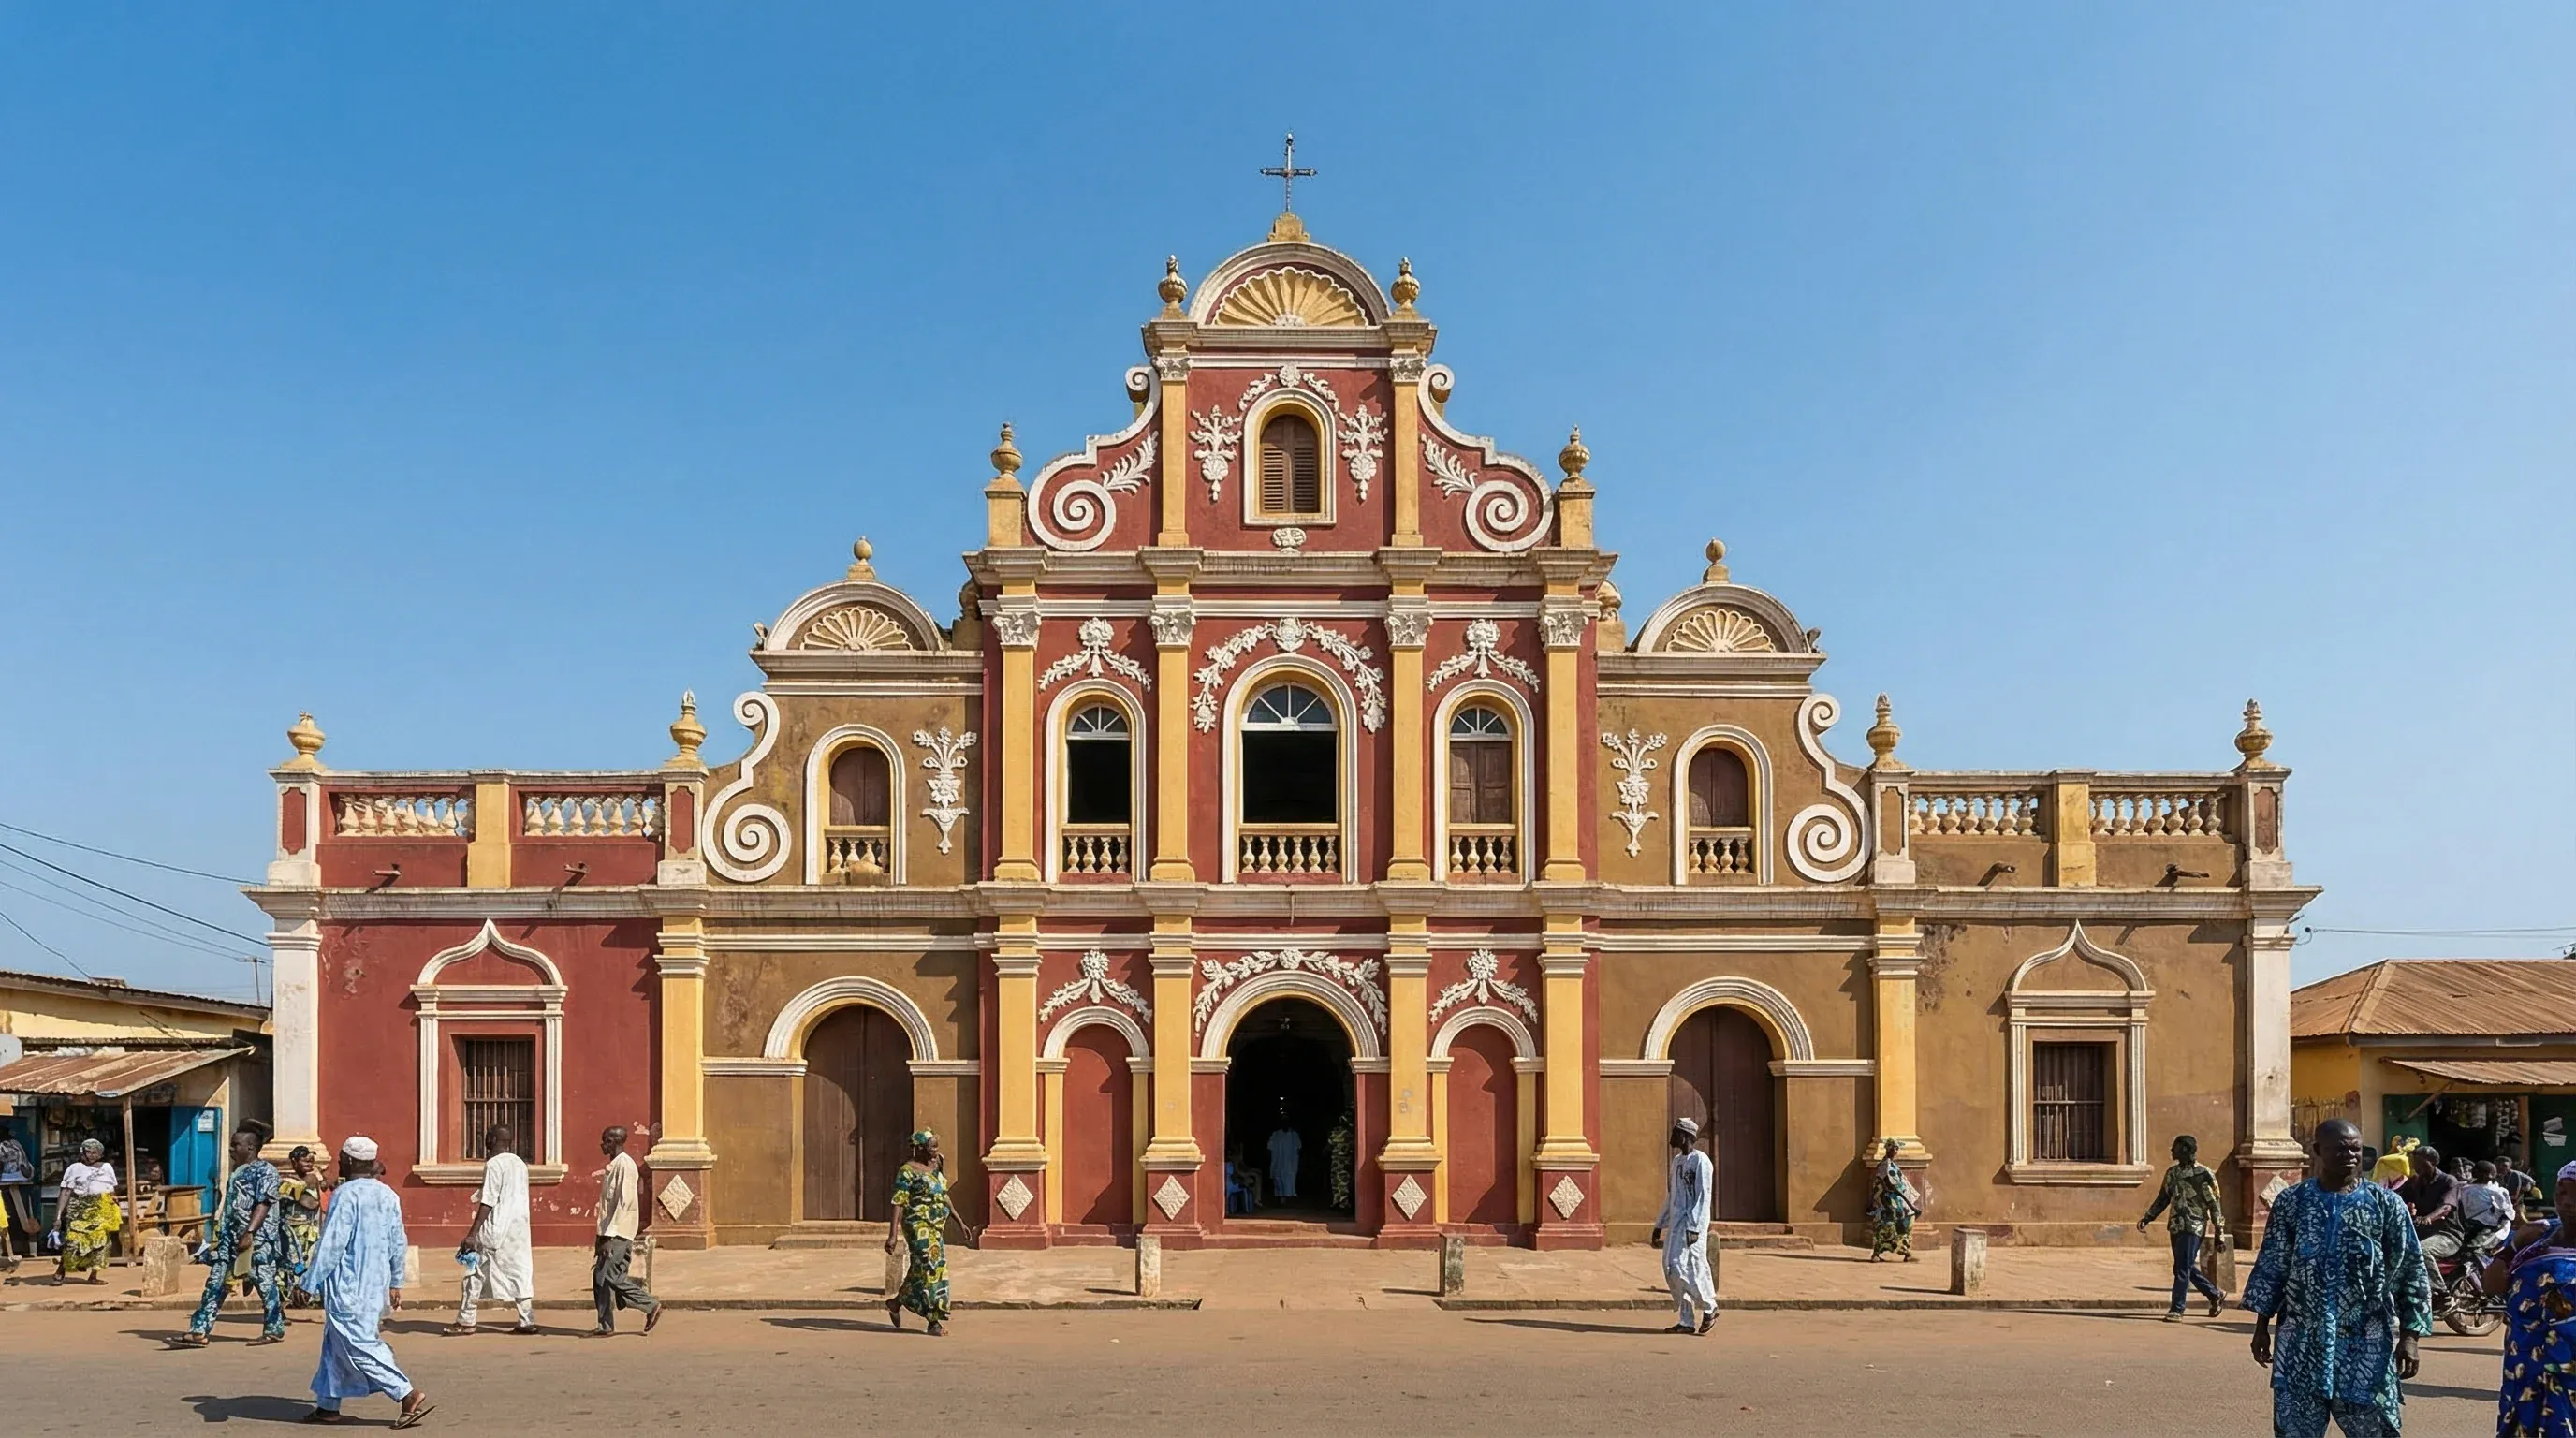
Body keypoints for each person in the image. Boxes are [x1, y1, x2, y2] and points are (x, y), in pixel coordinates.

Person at [2245, 1118, 2431, 1438]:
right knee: (2294, 1430)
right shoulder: (2292, 1203)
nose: (2350, 1155)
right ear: (2318, 1151)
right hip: (2301, 1340)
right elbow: (2274, 1264)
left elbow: (2410, 1268)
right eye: (2340, 1148)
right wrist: (2262, 1327)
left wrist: (2411, 1337)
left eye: (2356, 1149)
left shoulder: (2386, 1205)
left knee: (2377, 1430)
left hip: (2366, 1341)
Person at [299, 1136, 433, 1429]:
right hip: (375, 1285)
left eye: (340, 1158)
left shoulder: (346, 1195)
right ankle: (327, 1405)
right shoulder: (388, 1195)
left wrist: (308, 1282)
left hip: (349, 1285)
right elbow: (399, 1241)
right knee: (335, 1343)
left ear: (347, 1161)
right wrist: (396, 1281)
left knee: (359, 1342)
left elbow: (332, 1243)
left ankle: (406, 1394)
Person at [2482, 1159, 2576, 1435]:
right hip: (2524, 1375)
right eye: (2561, 1191)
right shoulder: (2538, 1238)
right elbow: (2491, 1285)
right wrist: (2513, 1244)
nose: (2567, 1201)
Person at [176, 1122, 285, 1346]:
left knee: (264, 1284)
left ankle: (274, 1329)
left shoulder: (266, 1171)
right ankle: (199, 1330)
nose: (231, 1149)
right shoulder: (238, 1172)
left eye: (236, 1145)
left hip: (257, 1241)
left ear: (251, 1148)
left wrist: (249, 1233)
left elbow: (264, 1203)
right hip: (229, 1239)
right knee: (216, 1282)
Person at [447, 1124, 535, 1336]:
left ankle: (466, 1320)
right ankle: (527, 1320)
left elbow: (488, 1201)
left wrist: (472, 1234)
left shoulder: (494, 1164)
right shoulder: (520, 1164)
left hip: (494, 1229)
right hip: (518, 1230)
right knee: (520, 1272)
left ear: (493, 1139)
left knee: (473, 1274)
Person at [2138, 1133, 2228, 1321]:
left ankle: (2177, 1308)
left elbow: (2215, 1205)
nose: (2172, 1150)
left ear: (2186, 1149)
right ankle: (2214, 1294)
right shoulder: (2172, 1173)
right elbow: (2163, 1198)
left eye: (2175, 1147)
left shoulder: (2204, 1174)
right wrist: (2148, 1217)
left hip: (2194, 1225)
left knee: (2182, 1268)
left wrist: (2220, 1233)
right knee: (2183, 1266)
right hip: (2176, 1226)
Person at [588, 1125, 659, 1337]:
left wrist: (609, 1237)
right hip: (608, 1232)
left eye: (605, 1141)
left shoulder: (625, 1166)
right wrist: (601, 1237)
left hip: (619, 1233)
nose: (602, 1145)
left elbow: (623, 1204)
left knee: (610, 1277)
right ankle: (605, 1324)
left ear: (614, 1142)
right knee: (600, 1278)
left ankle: (649, 1304)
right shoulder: (614, 1165)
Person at [1651, 1116, 1717, 1336]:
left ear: (1687, 1136)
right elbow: (1673, 1196)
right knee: (1672, 1267)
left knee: (1691, 1267)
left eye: (1677, 1133)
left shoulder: (1701, 1162)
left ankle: (1709, 1307)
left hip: (1692, 1226)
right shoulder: (1677, 1162)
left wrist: (1695, 1228)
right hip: (1677, 1225)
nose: (1673, 1137)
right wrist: (1659, 1224)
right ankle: (1686, 1320)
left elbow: (1702, 1197)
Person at [883, 1128, 951, 1336]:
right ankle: (933, 1320)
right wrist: (893, 1234)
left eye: (936, 1147)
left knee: (926, 1267)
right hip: (917, 1225)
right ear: (920, 1148)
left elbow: (943, 1193)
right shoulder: (907, 1171)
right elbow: (898, 1202)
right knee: (930, 1266)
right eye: (931, 1148)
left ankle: (896, 1302)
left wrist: (959, 1220)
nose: (935, 1151)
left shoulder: (936, 1164)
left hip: (936, 1226)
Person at [2399, 1145, 2466, 1308]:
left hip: (2447, 1234)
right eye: (2415, 1162)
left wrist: (2428, 1218)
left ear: (2433, 1162)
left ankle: (2442, 1293)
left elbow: (2446, 1207)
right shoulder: (2414, 1182)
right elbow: (2396, 1198)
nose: (2417, 1166)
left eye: (2421, 1163)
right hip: (2420, 1232)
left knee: (2422, 1250)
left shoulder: (2449, 1181)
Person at [54, 1137, 121, 1284]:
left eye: (94, 1153)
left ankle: (93, 1275)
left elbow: (111, 1189)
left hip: (102, 1210)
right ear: (82, 1153)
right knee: (73, 1241)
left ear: (100, 1154)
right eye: (88, 1152)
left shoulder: (107, 1168)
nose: (90, 1155)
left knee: (100, 1242)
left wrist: (113, 1198)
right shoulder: (74, 1168)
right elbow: (65, 1192)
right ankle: (61, 1271)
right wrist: (58, 1216)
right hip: (79, 1209)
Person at [279, 1146, 329, 1311]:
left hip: (307, 1229)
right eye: (305, 1161)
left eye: (311, 1161)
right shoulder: (295, 1179)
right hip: (291, 1228)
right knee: (293, 1263)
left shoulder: (310, 1179)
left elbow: (312, 1201)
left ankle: (311, 1296)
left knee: (307, 1261)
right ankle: (297, 1296)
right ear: (294, 1162)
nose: (309, 1164)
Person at [1866, 1138, 1919, 1262]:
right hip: (1890, 1202)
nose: (1896, 1150)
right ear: (1888, 1149)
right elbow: (1891, 1185)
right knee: (1886, 1225)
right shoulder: (1885, 1165)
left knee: (1905, 1224)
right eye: (1894, 1148)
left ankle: (1905, 1251)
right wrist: (1907, 1201)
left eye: (1897, 1148)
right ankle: (1877, 1252)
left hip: (1897, 1201)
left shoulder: (1891, 1164)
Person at [0, 1130, 36, 1270]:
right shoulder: (15, 1143)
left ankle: (13, 1251)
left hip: (9, 1180)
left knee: (10, 1221)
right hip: (20, 1179)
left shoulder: (5, 1145)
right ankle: (16, 1250)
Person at [1267, 1112, 1302, 1203]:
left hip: (1290, 1163)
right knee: (1279, 1179)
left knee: (1290, 1180)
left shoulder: (1294, 1135)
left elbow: (1298, 1148)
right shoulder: (1276, 1134)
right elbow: (1270, 1148)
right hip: (1278, 1163)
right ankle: (1281, 1198)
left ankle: (1289, 1198)